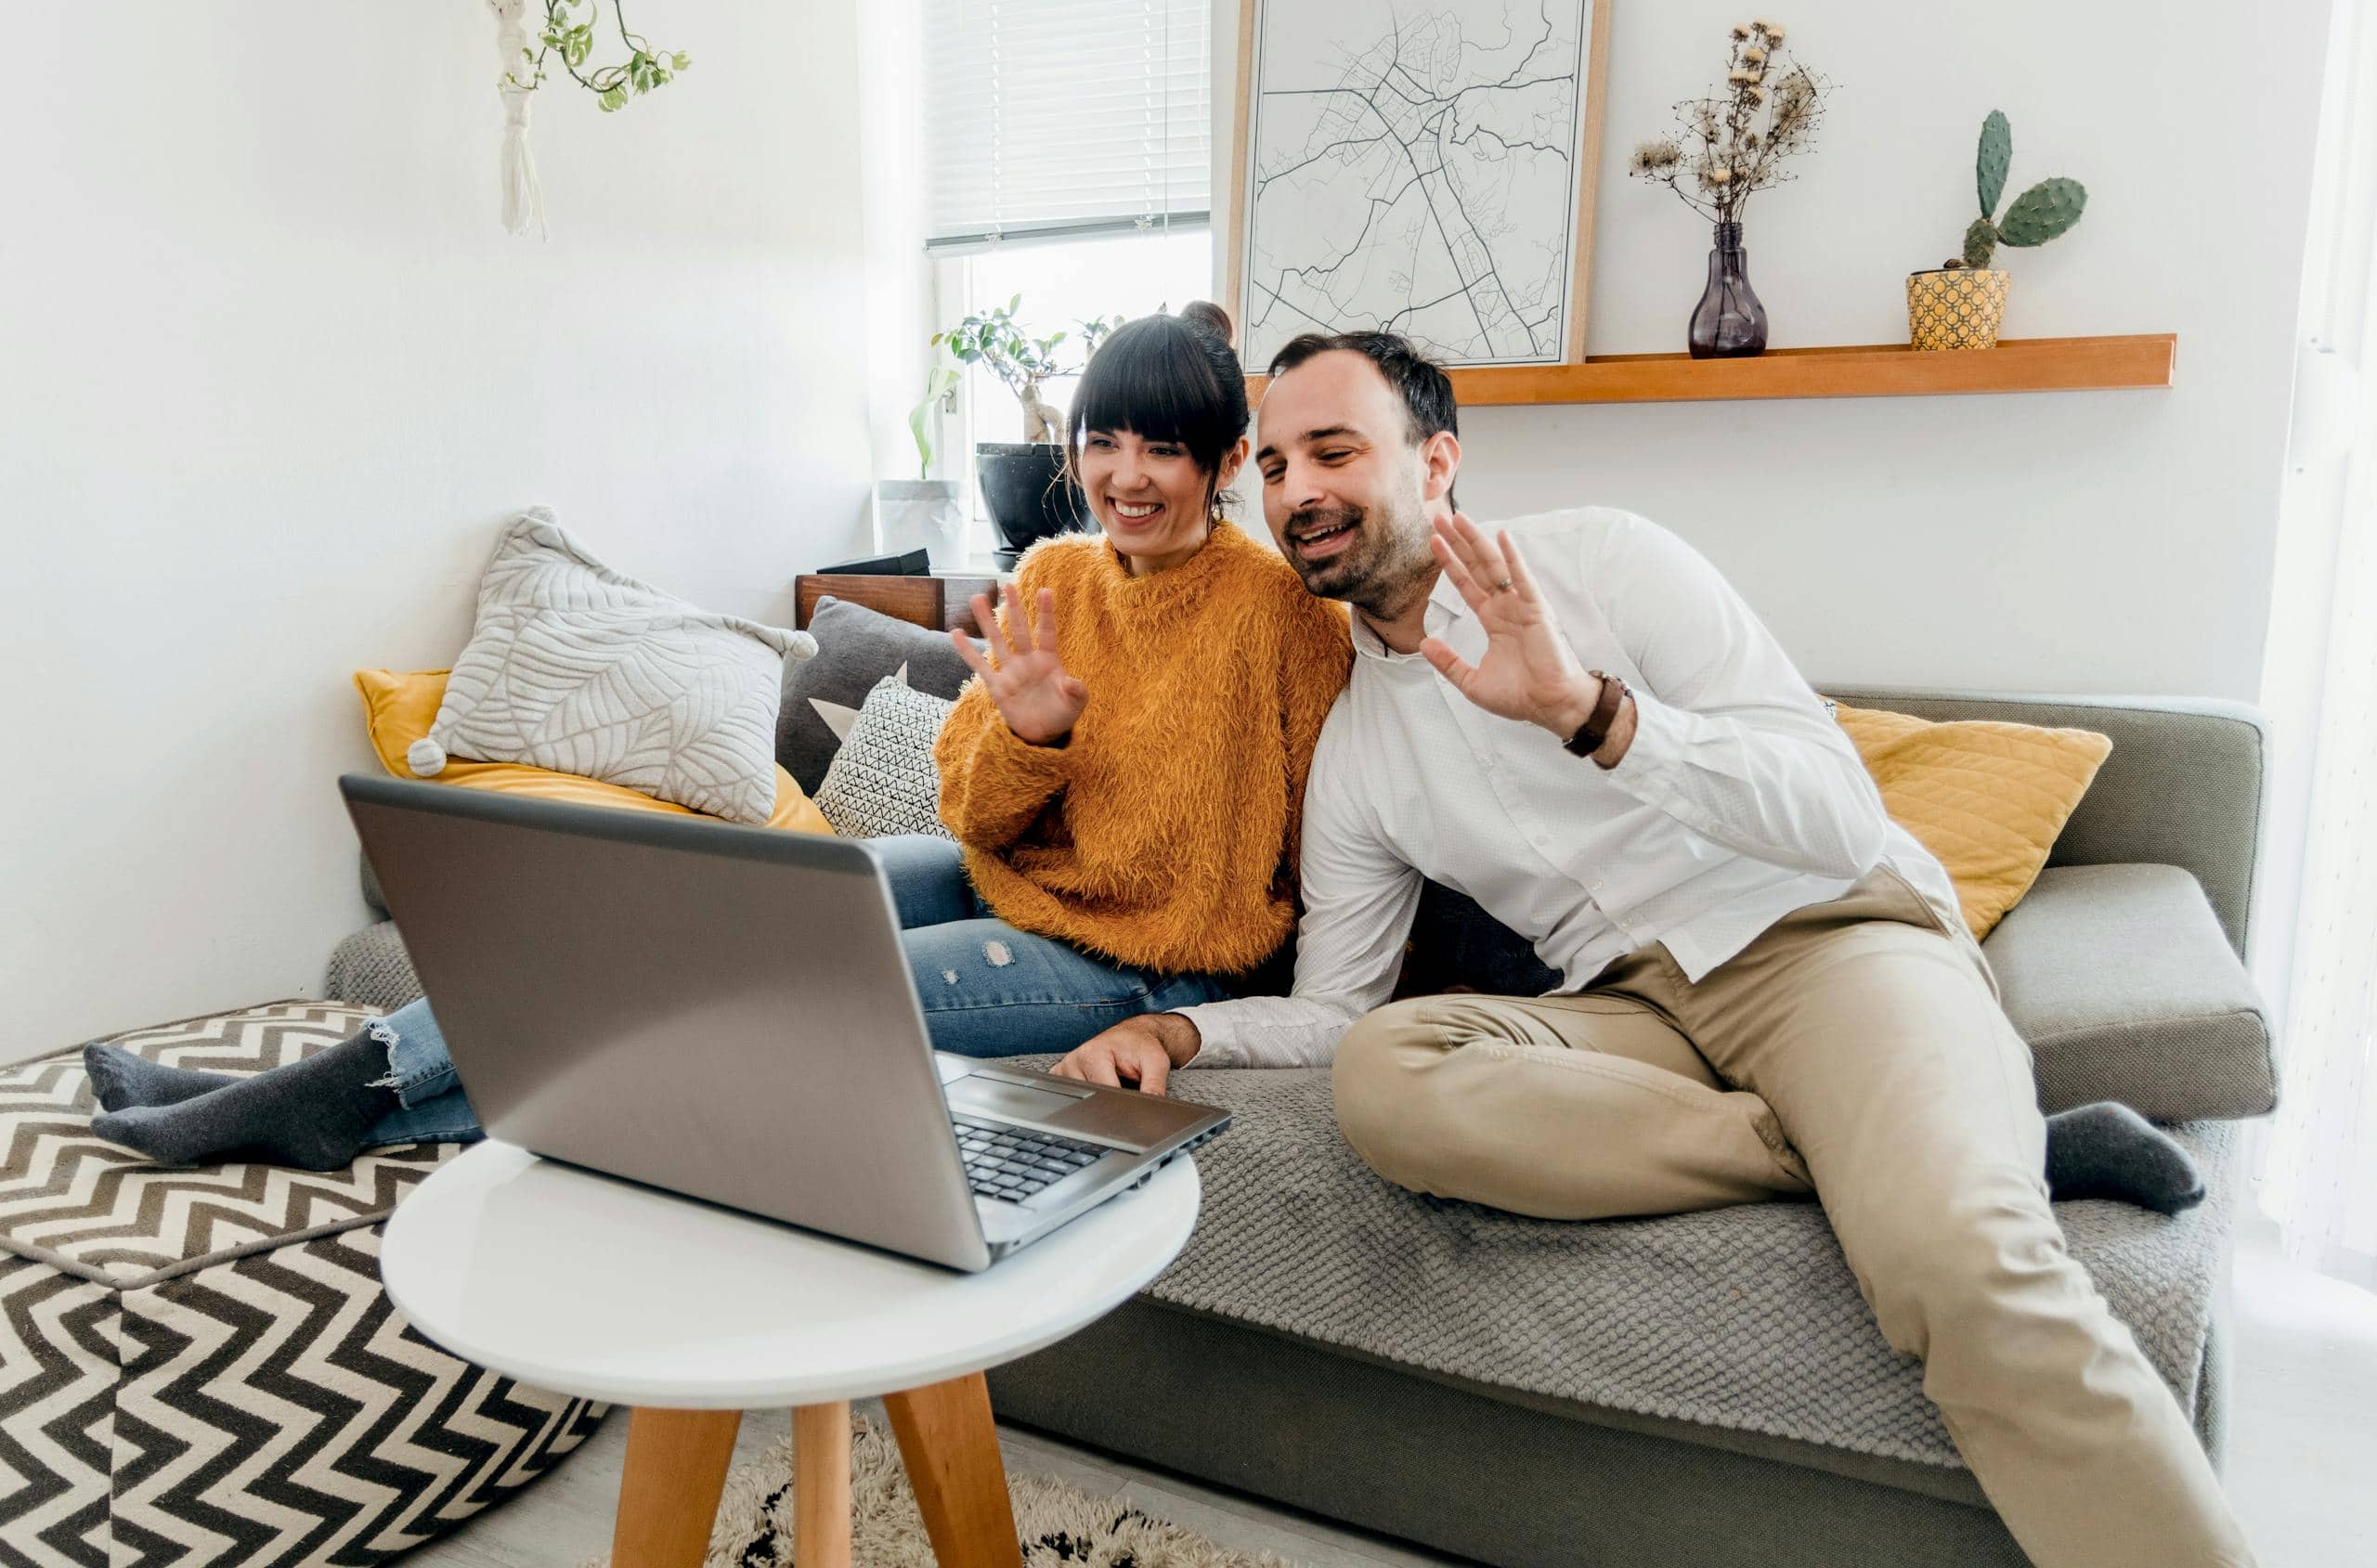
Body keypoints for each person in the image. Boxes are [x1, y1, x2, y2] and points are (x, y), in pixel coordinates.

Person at [1046, 330, 2252, 1568]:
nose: (1298, 491)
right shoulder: (1358, 753)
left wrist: (1597, 714)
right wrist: (1183, 1028)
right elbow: (1338, 1008)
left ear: (1437, 460)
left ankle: (1918, 1142)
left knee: (1964, 1268)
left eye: (1336, 451)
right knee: (1386, 1077)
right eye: (1281, 464)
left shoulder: (1607, 563)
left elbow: (1837, 817)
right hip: (1630, 1008)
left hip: (1822, 934)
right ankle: (1882, 1137)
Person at [84, 302, 1353, 1173]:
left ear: (1229, 459)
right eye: (1103, 442)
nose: (1127, 473)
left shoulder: (1283, 615)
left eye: (1165, 451)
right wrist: (1025, 739)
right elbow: (965, 811)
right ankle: (341, 1083)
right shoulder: (1061, 572)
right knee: (699, 915)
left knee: (770, 994)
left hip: (1137, 960)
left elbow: (1301, 856)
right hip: (1001, 874)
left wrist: (1205, 1010)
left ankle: (336, 1111)